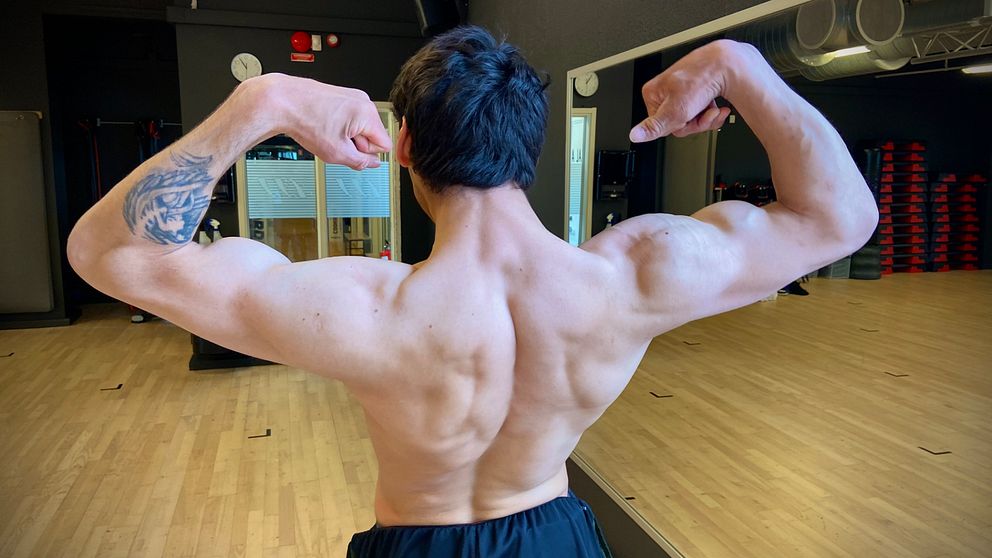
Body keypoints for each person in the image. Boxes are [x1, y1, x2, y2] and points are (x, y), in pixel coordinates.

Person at [68, 26, 878, 557]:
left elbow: (109, 254)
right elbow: (839, 217)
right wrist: (739, 66)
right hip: (554, 538)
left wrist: (263, 102)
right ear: (530, 147)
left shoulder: (362, 308)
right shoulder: (629, 278)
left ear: (405, 148)